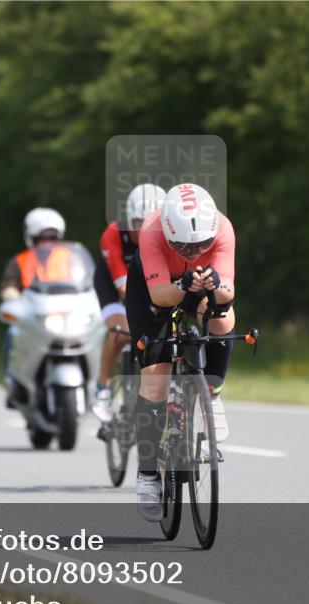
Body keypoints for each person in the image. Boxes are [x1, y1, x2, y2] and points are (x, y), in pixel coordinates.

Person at [124, 183, 236, 521]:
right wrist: (183, 285)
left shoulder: (223, 229)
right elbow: (159, 296)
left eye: (201, 244)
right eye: (183, 245)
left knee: (222, 318)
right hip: (154, 290)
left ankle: (212, 393)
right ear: (169, 232)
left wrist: (216, 288)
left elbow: (228, 295)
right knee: (155, 382)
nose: (192, 250)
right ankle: (146, 476)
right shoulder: (153, 230)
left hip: (200, 285)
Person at [91, 184, 166, 421]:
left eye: (151, 224)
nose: (143, 230)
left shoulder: (169, 234)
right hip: (115, 284)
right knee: (122, 333)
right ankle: (102, 387)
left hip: (152, 283)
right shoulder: (112, 235)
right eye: (137, 223)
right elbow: (125, 290)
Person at [0, 207, 66, 403]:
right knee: (12, 334)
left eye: (52, 237)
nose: (47, 243)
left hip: (65, 315)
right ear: (32, 238)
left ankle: (96, 383)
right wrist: (10, 294)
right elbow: (8, 284)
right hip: (33, 318)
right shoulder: (20, 261)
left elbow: (85, 280)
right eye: (42, 238)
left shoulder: (68, 259)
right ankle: (12, 382)